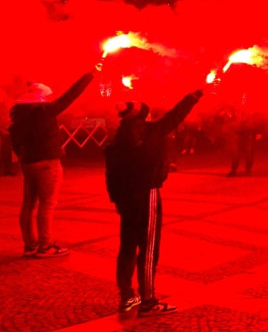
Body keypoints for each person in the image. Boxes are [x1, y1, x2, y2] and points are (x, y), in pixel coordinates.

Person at [104, 89, 203, 315]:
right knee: (148, 248)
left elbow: (111, 174)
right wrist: (194, 96)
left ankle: (127, 295)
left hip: (126, 198)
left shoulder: (118, 138)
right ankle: (148, 300)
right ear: (144, 117)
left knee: (127, 246)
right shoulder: (151, 133)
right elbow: (175, 116)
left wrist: (117, 199)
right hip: (147, 194)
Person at [9, 69, 96, 257]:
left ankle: (30, 245)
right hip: (47, 162)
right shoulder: (44, 111)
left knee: (28, 205)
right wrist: (89, 75)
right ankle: (46, 246)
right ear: (41, 98)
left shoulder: (17, 114)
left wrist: (24, 157)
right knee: (47, 204)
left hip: (28, 162)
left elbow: (15, 142)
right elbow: (70, 96)